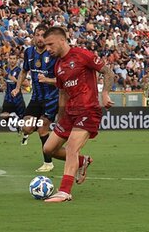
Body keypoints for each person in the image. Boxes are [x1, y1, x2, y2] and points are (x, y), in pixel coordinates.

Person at [42, 27, 114, 203]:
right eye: (46, 45)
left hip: (88, 109)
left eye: (50, 44)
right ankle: (82, 161)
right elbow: (62, 93)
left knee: (72, 147)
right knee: (48, 149)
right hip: (69, 113)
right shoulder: (58, 65)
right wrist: (60, 117)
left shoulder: (82, 55)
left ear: (62, 40)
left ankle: (65, 191)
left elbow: (108, 71)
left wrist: (104, 93)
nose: (48, 49)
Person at [11, 24, 58, 172]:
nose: (40, 38)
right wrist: (18, 88)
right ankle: (29, 134)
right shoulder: (29, 52)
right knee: (27, 127)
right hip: (36, 98)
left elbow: (62, 78)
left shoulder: (53, 54)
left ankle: (48, 163)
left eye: (43, 35)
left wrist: (49, 80)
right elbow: (24, 71)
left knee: (43, 128)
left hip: (51, 98)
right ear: (34, 36)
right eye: (37, 35)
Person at [0, 52, 27, 140]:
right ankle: (16, 125)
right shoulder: (7, 70)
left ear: (17, 60)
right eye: (11, 59)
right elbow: (6, 81)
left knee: (24, 119)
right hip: (8, 98)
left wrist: (15, 80)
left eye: (14, 59)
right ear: (8, 59)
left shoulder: (19, 70)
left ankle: (25, 136)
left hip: (17, 98)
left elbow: (26, 84)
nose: (12, 60)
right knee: (4, 116)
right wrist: (3, 85)